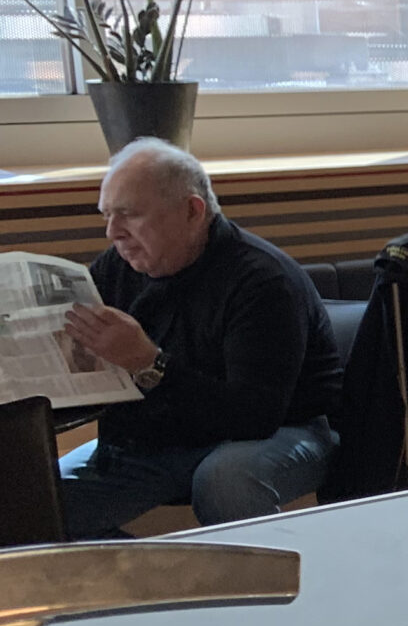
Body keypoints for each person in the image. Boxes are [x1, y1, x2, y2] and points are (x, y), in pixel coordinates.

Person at [57, 138, 342, 537]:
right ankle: (139, 573)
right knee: (32, 497)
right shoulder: (117, 267)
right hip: (156, 439)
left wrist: (148, 364)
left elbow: (255, 416)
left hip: (281, 431)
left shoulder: (262, 281)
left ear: (192, 211)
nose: (113, 232)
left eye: (129, 214)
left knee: (226, 480)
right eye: (107, 215)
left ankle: (268, 575)